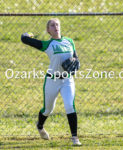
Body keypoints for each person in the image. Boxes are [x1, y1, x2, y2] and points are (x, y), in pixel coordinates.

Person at [21, 18, 81, 146]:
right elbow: (25, 40)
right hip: (52, 80)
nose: (56, 27)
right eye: (52, 25)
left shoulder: (69, 41)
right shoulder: (47, 45)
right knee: (48, 110)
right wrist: (26, 35)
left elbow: (75, 57)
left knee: (70, 105)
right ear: (48, 30)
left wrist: (75, 61)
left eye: (57, 24)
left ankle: (75, 137)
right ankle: (40, 126)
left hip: (67, 80)